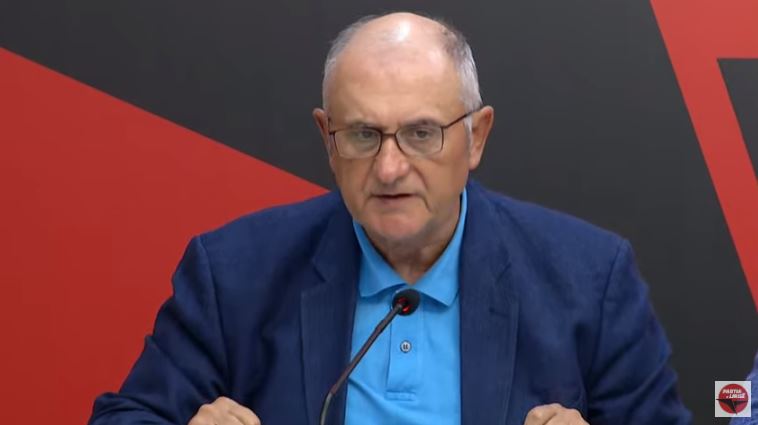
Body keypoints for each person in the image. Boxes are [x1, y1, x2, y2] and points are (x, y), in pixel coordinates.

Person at [89, 12, 691, 425]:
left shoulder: (590, 280)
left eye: (421, 133)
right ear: (327, 139)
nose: (389, 168)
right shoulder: (234, 275)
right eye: (362, 134)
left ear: (476, 137)